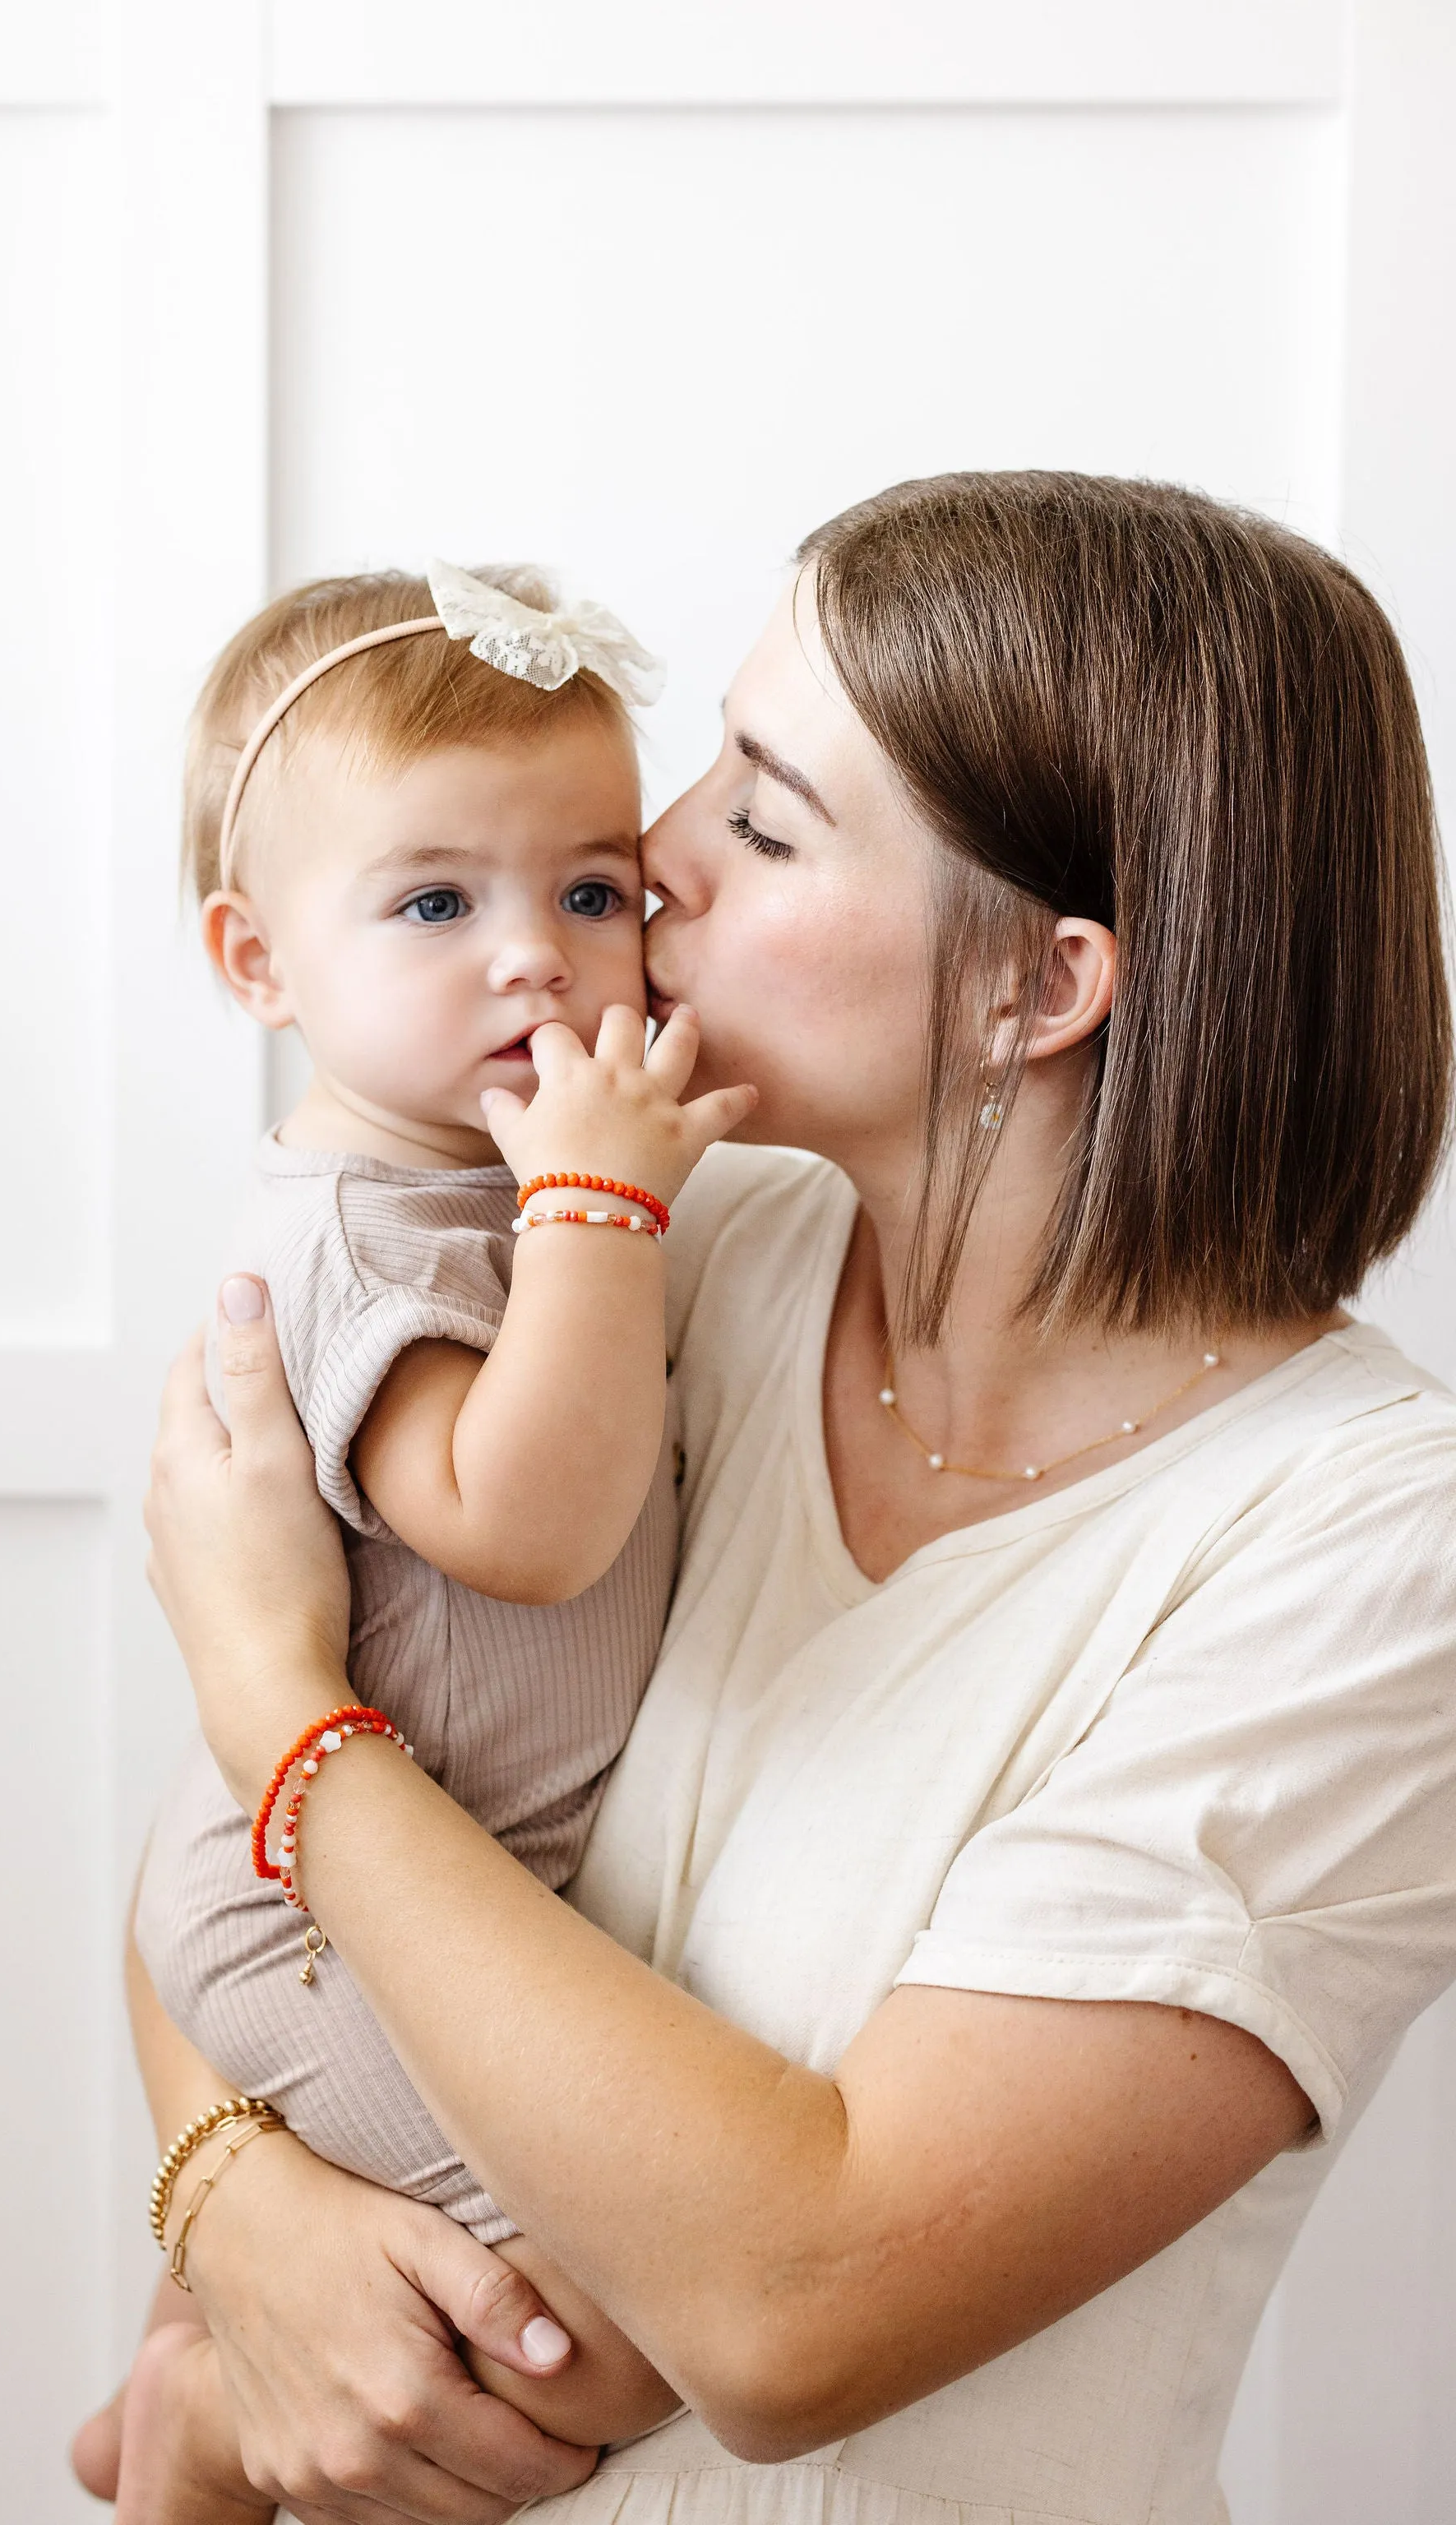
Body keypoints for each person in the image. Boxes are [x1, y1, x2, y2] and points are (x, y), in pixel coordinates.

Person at [123, 474, 1456, 2525]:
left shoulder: (1366, 1548)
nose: (641, 866)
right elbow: (225, 1874)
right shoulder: (665, 1249)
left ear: (1042, 988)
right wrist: (233, 2219)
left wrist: (284, 1709)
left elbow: (784, 2311)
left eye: (755, 814)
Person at [105, 561, 761, 2509]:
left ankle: (164, 2381)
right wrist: (597, 1213)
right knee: (588, 2309)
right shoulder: (364, 1239)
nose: (537, 961)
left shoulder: (475, 1191)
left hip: (395, 1882)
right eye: (432, 902)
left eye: (589, 889)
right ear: (257, 959)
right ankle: (193, 2443)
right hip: (307, 1915)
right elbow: (525, 1525)